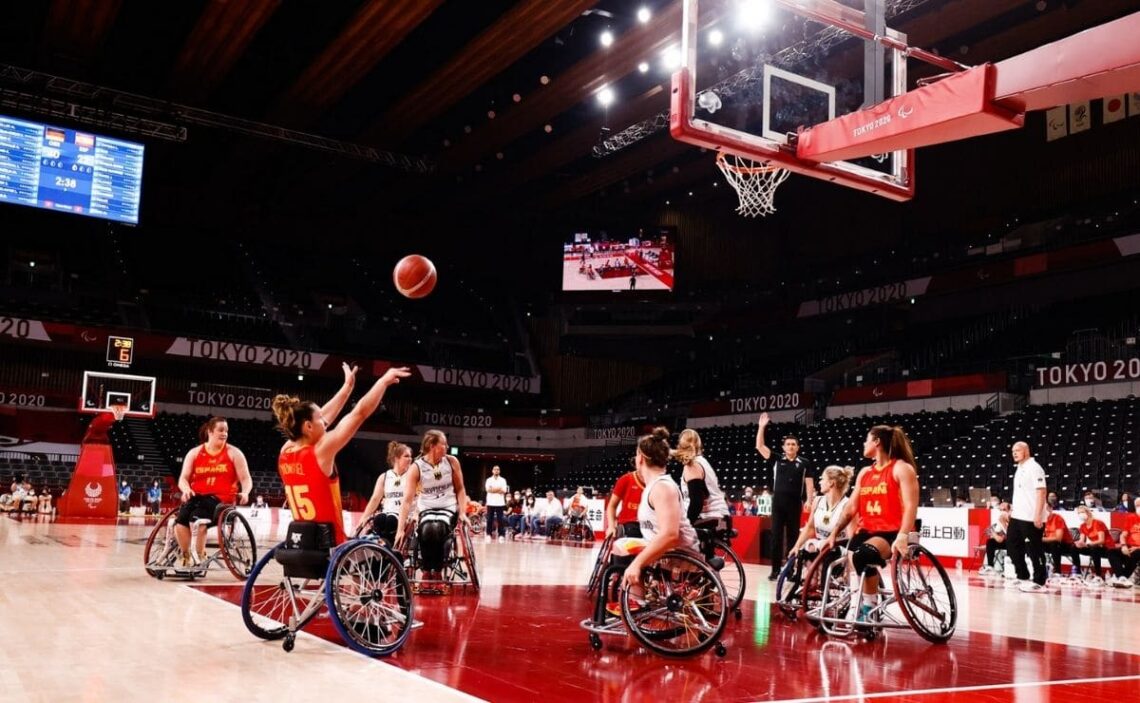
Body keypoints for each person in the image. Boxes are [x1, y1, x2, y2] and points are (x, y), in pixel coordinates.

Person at [273, 364, 410, 547]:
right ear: (308, 426)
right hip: (332, 546)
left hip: (303, 544)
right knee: (387, 552)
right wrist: (383, 382)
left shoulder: (285, 452)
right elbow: (359, 413)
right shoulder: (320, 452)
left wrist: (347, 389)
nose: (325, 420)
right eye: (320, 418)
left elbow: (324, 418)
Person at [824, 425, 920, 622]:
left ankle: (868, 608)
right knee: (853, 554)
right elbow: (851, 508)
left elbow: (911, 505)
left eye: (867, 439)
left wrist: (903, 535)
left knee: (864, 555)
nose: (863, 443)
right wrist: (834, 532)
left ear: (877, 442)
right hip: (867, 530)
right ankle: (860, 603)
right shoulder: (865, 473)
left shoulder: (901, 468)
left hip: (893, 531)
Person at [619, 428, 700, 596]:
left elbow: (670, 535)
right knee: (621, 545)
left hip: (678, 554)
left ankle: (636, 601)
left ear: (640, 458)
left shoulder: (662, 487)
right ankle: (635, 599)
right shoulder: (655, 486)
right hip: (668, 550)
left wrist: (637, 564)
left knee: (622, 547)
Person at [175, 416, 254, 568]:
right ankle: (186, 556)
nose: (224, 433)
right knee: (180, 521)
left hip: (222, 501)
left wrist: (246, 492)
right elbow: (183, 479)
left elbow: (246, 479)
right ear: (210, 431)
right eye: (220, 430)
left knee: (196, 520)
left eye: (226, 431)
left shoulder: (234, 453)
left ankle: (199, 556)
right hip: (198, 497)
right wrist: (186, 490)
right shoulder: (195, 453)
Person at [396, 430, 471, 581]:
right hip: (427, 508)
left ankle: (437, 568)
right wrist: (400, 529)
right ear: (432, 446)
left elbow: (461, 489)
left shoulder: (451, 462)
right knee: (427, 529)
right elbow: (407, 501)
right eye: (444, 444)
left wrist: (462, 512)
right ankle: (426, 568)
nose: (447, 447)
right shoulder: (417, 467)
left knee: (439, 528)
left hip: (448, 506)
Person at [756, 412, 815, 580]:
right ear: (783, 447)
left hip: (795, 503)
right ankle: (775, 570)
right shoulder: (777, 459)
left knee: (793, 538)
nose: (790, 446)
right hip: (778, 503)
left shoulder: (804, 463)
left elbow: (809, 483)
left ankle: (791, 570)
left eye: (793, 444)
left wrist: (809, 500)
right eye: (788, 444)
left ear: (797, 447)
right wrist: (761, 428)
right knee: (776, 537)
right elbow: (760, 447)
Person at [787, 465, 855, 580]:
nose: (820, 482)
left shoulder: (848, 505)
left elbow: (852, 539)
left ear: (831, 483)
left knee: (827, 555)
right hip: (821, 546)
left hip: (839, 549)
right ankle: (811, 582)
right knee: (804, 551)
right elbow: (810, 528)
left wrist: (849, 566)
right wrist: (796, 546)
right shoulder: (817, 501)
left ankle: (824, 587)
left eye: (822, 479)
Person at [1009, 441, 1048, 593]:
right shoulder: (1019, 468)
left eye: (1017, 450)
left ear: (1026, 451)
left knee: (1034, 549)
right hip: (1017, 515)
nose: (1014, 453)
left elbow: (1041, 492)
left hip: (1031, 516)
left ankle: (1039, 581)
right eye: (1013, 451)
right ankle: (1022, 576)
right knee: (1012, 546)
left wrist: (1038, 515)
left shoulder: (1035, 468)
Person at [357, 441, 414, 545]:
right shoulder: (384, 477)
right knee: (380, 519)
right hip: (387, 513)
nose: (410, 459)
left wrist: (416, 515)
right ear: (396, 458)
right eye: (406, 456)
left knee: (391, 520)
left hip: (404, 517)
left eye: (410, 456)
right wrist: (364, 517)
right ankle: (380, 546)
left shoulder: (412, 476)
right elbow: (375, 499)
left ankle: (385, 547)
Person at [675, 429, 730, 532]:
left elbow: (696, 502)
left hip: (708, 517)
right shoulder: (703, 462)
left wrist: (685, 527)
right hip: (719, 516)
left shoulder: (692, 465)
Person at [1073, 503, 1114, 586]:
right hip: (1093, 546)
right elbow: (1082, 540)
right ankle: (1077, 573)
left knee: (1095, 550)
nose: (1080, 514)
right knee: (1074, 548)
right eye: (1079, 513)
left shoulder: (1098, 523)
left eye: (1082, 512)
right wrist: (1079, 543)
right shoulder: (1082, 526)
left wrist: (1088, 544)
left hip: (1106, 547)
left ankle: (1098, 575)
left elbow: (1101, 540)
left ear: (1087, 513)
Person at [1041, 500, 1079, 581]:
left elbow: (1058, 538)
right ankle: (1040, 569)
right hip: (1051, 544)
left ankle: (1057, 572)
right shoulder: (1042, 520)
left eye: (1045, 509)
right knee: (1034, 544)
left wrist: (1041, 539)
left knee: (1054, 544)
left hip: (1066, 545)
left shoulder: (1057, 518)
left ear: (1051, 508)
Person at [606, 466, 646, 539]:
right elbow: (612, 506)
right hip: (628, 527)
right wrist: (611, 526)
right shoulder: (626, 479)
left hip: (650, 527)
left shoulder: (660, 484)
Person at [978, 502, 1010, 575]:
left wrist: (994, 533)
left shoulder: (1012, 520)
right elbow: (999, 539)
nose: (1002, 512)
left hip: (1014, 542)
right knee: (990, 542)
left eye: (1004, 510)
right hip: (1005, 541)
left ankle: (1009, 568)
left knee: (1010, 542)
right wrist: (993, 533)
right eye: (1000, 510)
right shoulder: (999, 522)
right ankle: (990, 567)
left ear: (1008, 510)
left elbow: (1011, 535)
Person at [484, 465, 508, 543]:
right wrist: (498, 489)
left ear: (499, 471)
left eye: (498, 469)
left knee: (500, 519)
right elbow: (488, 490)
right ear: (492, 471)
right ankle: (488, 534)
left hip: (500, 503)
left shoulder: (503, 480)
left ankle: (501, 535)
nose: (496, 471)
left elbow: (504, 490)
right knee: (489, 519)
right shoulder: (488, 480)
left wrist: (493, 489)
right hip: (490, 502)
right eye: (495, 469)